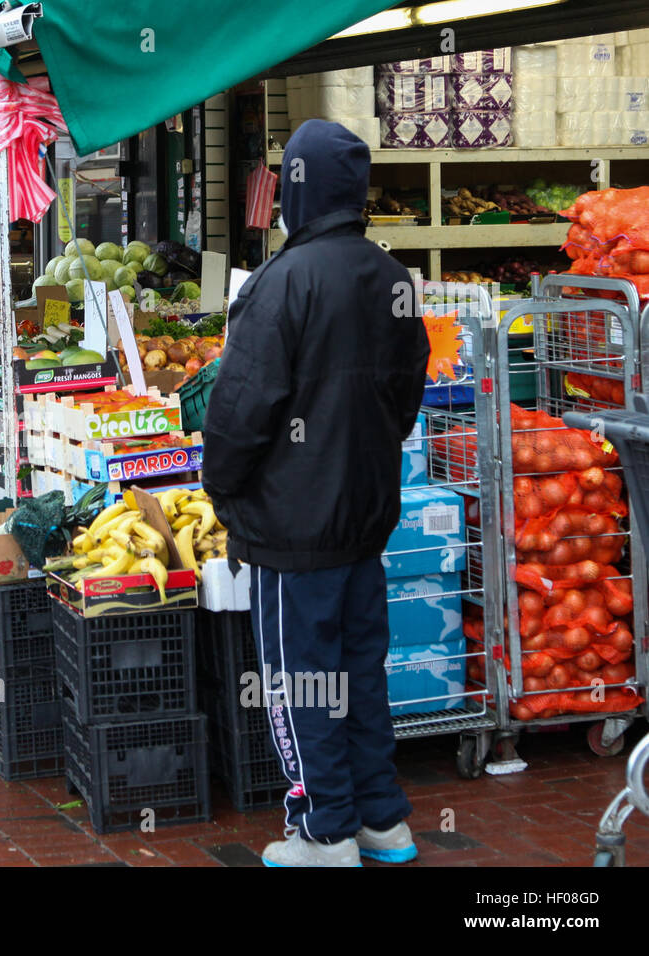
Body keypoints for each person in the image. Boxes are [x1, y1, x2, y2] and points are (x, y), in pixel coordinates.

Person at [201, 120, 431, 868]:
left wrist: (223, 489)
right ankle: (382, 821)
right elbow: (405, 401)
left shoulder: (281, 282)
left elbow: (240, 409)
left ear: (298, 188)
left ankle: (324, 831)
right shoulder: (393, 279)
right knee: (360, 673)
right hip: (363, 521)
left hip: (292, 529)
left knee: (304, 680)